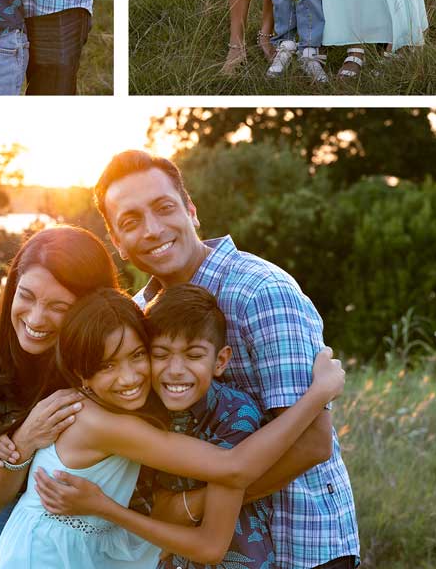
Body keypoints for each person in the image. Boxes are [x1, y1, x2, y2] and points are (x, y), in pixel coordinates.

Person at [93, 150, 360, 569]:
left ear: (192, 211)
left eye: (164, 208)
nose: (153, 229)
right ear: (118, 244)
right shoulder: (141, 314)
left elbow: (312, 443)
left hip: (298, 544)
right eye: (131, 221)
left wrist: (187, 508)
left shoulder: (262, 292)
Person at [0, 287, 344, 568]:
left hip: (77, 545)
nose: (129, 378)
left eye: (137, 356)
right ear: (82, 374)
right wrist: (317, 396)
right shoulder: (102, 423)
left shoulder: (125, 406)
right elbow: (234, 467)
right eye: (107, 365)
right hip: (46, 552)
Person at [34, 284, 278, 569]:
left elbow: (211, 543)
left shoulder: (234, 414)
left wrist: (317, 398)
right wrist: (19, 442)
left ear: (220, 360)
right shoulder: (138, 407)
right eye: (160, 354)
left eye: (194, 355)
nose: (175, 369)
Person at [0, 226, 120, 569]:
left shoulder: (117, 349)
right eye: (26, 296)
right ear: (11, 287)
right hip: (27, 542)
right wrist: (24, 443)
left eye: (59, 306)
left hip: (117, 533)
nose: (36, 319)